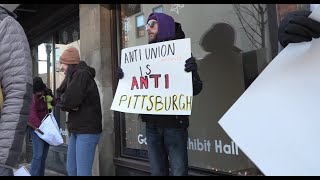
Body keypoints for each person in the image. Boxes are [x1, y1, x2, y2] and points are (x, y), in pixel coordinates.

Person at [116, 12, 203, 176]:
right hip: (151, 125)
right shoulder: (145, 56)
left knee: (178, 171)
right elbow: (140, 86)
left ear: (164, 26)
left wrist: (192, 72)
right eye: (147, 25)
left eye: (152, 24)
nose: (148, 29)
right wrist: (125, 77)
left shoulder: (181, 53)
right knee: (157, 172)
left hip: (174, 126)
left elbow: (196, 89)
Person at [56, 47, 102, 176]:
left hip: (87, 130)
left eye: (63, 63)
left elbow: (68, 101)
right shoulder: (73, 76)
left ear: (70, 63)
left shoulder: (81, 74)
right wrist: (68, 103)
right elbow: (59, 96)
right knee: (72, 170)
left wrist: (69, 104)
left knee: (82, 173)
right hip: (76, 129)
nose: (61, 67)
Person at [0, 5, 33, 176]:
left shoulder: (5, 25)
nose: (61, 68)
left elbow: (19, 91)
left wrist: (3, 160)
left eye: (63, 64)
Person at [27, 77, 56, 176]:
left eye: (40, 91)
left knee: (43, 156)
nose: (38, 93)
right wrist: (41, 127)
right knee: (38, 155)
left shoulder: (45, 91)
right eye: (37, 92)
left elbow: (54, 102)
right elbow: (32, 114)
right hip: (36, 128)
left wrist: (51, 96)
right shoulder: (31, 96)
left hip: (46, 127)